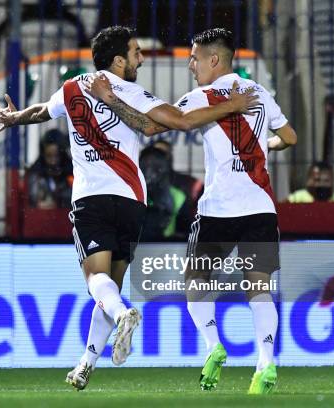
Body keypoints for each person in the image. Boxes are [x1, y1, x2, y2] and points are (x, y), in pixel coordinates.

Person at [0, 25, 258, 390]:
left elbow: (43, 111)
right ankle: (86, 364)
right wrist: (231, 106)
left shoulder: (72, 88)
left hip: (92, 200)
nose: (141, 59)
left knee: (95, 283)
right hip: (132, 201)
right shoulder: (135, 93)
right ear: (118, 60)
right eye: (135, 53)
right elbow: (177, 122)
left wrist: (14, 117)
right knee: (110, 287)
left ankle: (123, 314)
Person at [87, 27, 297, 394]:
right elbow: (291, 137)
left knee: (195, 282)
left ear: (214, 60)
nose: (190, 65)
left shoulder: (200, 97)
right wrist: (265, 146)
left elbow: (150, 126)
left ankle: (213, 346)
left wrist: (111, 101)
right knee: (259, 289)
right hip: (261, 208)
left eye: (195, 58)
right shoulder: (258, 92)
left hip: (218, 210)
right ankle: (265, 366)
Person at [139, 146, 190, 240]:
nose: (150, 172)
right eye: (146, 165)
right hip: (134, 247)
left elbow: (185, 232)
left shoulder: (178, 196)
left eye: (155, 166)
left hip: (166, 250)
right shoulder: (129, 194)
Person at [27, 129, 73, 209]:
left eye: (57, 156)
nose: (53, 162)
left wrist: (58, 200)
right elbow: (33, 198)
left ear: (62, 154)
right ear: (43, 154)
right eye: (49, 156)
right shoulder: (37, 173)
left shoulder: (71, 172)